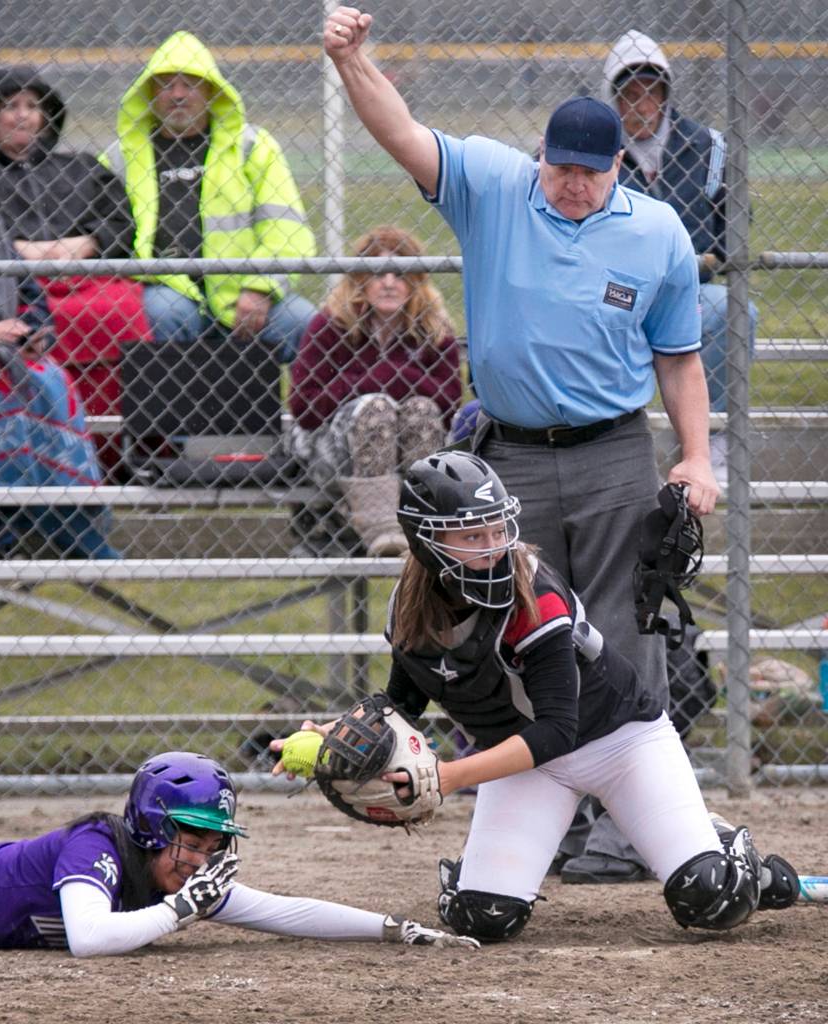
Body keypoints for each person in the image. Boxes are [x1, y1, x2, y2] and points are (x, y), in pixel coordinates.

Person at [323, 7, 718, 884]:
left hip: (615, 448)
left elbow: (680, 359)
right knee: (510, 631)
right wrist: (353, 60)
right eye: (559, 166)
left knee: (622, 634)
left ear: (621, 163)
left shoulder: (656, 233)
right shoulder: (496, 186)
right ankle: (550, 814)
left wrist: (695, 456)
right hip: (512, 455)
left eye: (589, 171)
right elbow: (402, 132)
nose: (571, 184)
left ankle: (627, 819)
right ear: (540, 155)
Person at [274, 451, 799, 943]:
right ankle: (485, 870)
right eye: (472, 536)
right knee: (481, 918)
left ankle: (732, 854)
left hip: (619, 743)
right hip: (525, 763)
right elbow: (404, 704)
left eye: (498, 529)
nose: (494, 545)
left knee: (709, 896)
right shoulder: (409, 606)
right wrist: (338, 738)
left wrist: (448, 777)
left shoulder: (534, 593)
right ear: (424, 543)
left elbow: (555, 729)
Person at [0, 749, 479, 955]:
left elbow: (281, 911)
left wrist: (392, 928)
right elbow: (89, 940)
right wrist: (178, 912)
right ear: (153, 828)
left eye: (214, 845)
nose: (202, 860)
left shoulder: (174, 879)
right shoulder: (95, 846)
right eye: (193, 842)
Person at [102, 31, 317, 363]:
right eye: (166, 85)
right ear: (149, 92)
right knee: (165, 313)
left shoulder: (252, 147)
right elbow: (101, 228)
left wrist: (260, 287)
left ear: (211, 90)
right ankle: (169, 414)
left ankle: (308, 413)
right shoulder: (120, 157)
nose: (177, 95)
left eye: (190, 84)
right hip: (164, 287)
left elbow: (286, 229)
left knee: (305, 323)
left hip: (242, 288)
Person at [0, 66, 151, 445]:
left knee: (124, 311)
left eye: (32, 106)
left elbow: (121, 221)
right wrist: (17, 250)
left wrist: (86, 243)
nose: (22, 115)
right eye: (9, 106)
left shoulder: (80, 166)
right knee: (37, 322)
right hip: (14, 285)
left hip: (87, 278)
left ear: (45, 115)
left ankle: (125, 443)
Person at [602, 29, 759, 480]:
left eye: (651, 92)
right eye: (629, 94)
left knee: (734, 311)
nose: (641, 105)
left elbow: (732, 235)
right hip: (616, 291)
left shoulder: (708, 147)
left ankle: (712, 437)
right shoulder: (597, 149)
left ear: (666, 95)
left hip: (686, 290)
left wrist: (701, 263)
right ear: (613, 99)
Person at [0, 137, 115, 559]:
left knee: (51, 376)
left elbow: (31, 294)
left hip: (5, 354)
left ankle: (70, 517)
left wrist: (35, 334)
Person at [288, 225, 462, 556]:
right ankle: (382, 531)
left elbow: (450, 402)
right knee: (376, 407)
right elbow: (305, 408)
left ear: (416, 282)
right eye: (377, 273)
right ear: (360, 280)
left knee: (422, 410)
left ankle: (421, 524)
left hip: (410, 454)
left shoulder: (432, 329)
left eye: (400, 273)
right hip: (334, 458)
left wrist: (392, 374)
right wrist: (376, 383)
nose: (388, 283)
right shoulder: (330, 325)